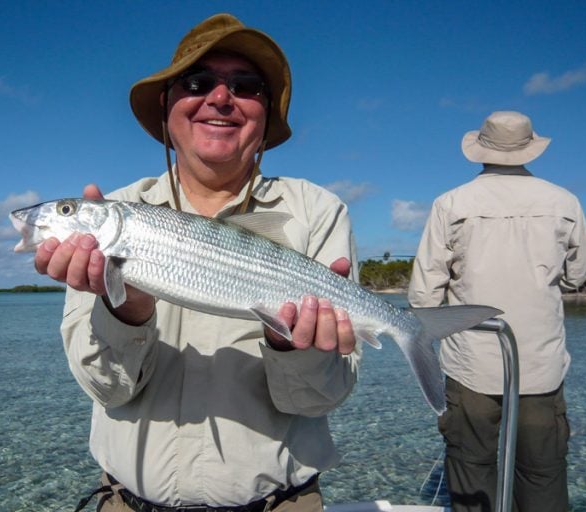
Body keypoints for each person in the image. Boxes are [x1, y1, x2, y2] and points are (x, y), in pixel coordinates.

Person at [34, 13, 361, 512]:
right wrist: (127, 309)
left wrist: (288, 341)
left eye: (246, 86)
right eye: (197, 81)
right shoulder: (112, 219)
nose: (221, 97)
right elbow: (106, 388)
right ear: (167, 107)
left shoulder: (318, 212)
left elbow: (316, 401)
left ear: (265, 115)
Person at [408, 111, 586, 512]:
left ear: (481, 151)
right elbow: (578, 275)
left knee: (471, 469)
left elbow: (423, 295)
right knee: (543, 474)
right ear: (529, 149)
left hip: (471, 363)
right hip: (541, 364)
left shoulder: (450, 203)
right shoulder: (565, 202)